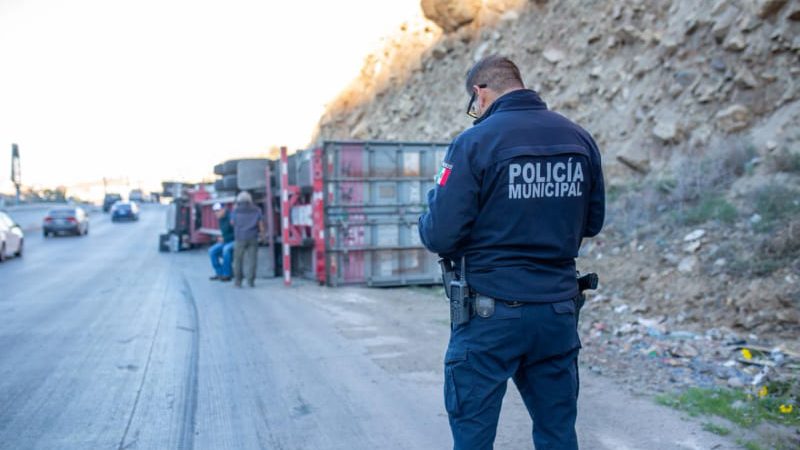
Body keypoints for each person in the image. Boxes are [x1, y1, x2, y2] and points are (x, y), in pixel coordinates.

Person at [418, 55, 605, 450]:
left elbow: (439, 234)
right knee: (557, 434)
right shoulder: (578, 138)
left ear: (480, 93)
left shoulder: (474, 142)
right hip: (556, 311)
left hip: (490, 317)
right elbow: (591, 223)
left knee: (473, 438)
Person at [230, 191, 265, 288]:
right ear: (250, 200)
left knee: (238, 261)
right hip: (252, 237)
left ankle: (238, 282)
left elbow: (232, 222)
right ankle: (251, 282)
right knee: (252, 260)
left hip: (240, 238)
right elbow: (260, 225)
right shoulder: (257, 210)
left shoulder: (236, 211)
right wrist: (262, 236)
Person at [208, 202, 234, 282]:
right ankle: (219, 273)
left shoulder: (231, 218)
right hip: (226, 240)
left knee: (226, 250)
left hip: (235, 240)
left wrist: (224, 239)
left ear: (224, 209)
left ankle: (227, 274)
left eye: (218, 210)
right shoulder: (220, 219)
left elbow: (237, 233)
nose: (216, 212)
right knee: (211, 250)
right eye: (215, 211)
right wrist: (222, 238)